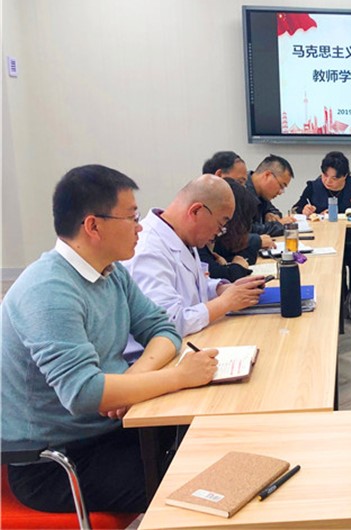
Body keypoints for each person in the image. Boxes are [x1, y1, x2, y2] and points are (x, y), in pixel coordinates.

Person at [1, 165, 219, 513]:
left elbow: (162, 329)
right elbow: (85, 393)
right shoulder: (48, 291)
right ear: (93, 226)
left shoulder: (111, 272)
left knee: (212, 439)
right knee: (198, 483)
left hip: (112, 429)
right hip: (57, 461)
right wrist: (179, 376)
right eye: (132, 217)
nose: (140, 227)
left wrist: (130, 380)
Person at [124, 175, 265, 342]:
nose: (218, 233)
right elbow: (166, 324)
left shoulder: (183, 236)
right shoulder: (148, 250)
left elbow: (194, 288)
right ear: (196, 211)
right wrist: (225, 303)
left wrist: (222, 289)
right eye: (220, 225)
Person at [291, 151, 351, 323]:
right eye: (324, 176)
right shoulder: (313, 186)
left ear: (345, 176)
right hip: (324, 242)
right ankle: (342, 298)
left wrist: (340, 213)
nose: (328, 181)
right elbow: (295, 209)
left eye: (334, 178)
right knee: (335, 258)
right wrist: (304, 211)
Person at [202, 152, 275, 258]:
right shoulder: (205, 205)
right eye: (239, 182)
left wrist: (268, 212)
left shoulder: (243, 197)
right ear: (219, 175)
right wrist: (255, 241)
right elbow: (223, 242)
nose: (243, 188)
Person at [198, 178, 260, 282]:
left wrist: (225, 266)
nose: (221, 229)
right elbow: (215, 274)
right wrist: (238, 268)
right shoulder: (197, 240)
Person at [246, 154, 295, 238]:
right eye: (281, 186)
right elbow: (249, 230)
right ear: (267, 175)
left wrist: (269, 214)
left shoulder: (261, 193)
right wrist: (279, 225)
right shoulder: (242, 191)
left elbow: (274, 211)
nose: (280, 192)